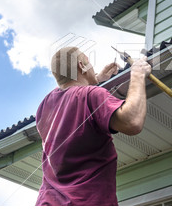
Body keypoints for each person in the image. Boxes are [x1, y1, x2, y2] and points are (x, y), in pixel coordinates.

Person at [35, 47, 151, 206]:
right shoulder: (91, 95)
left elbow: (70, 93)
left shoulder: (43, 107)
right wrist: (137, 75)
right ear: (82, 65)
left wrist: (96, 78)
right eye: (89, 63)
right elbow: (132, 122)